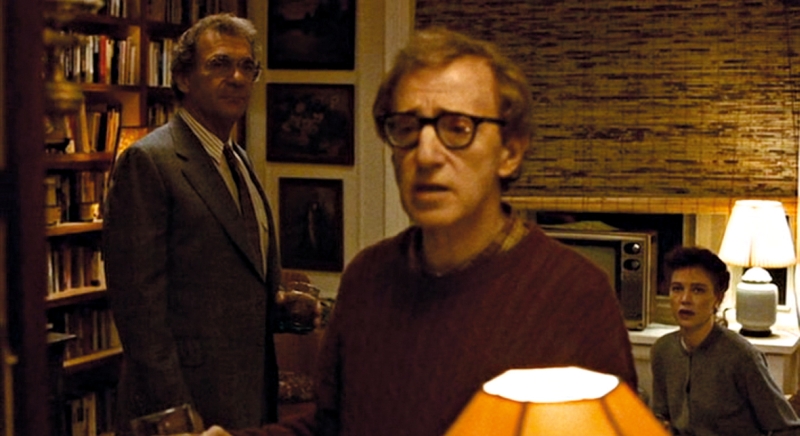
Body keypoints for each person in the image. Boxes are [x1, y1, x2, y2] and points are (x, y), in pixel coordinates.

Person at [199, 27, 637, 436]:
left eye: (458, 128)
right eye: (407, 129)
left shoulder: (574, 297)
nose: (426, 154)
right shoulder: (366, 278)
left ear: (510, 152)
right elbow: (332, 427)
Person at [103, 13, 314, 434]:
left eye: (247, 66)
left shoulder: (237, 159)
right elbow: (139, 312)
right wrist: (178, 419)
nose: (237, 77)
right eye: (220, 64)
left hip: (248, 399)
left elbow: (229, 286)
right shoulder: (149, 161)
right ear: (183, 78)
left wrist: (285, 309)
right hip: (186, 408)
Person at [650, 246, 800, 435]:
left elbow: (788, 427)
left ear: (718, 298)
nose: (685, 299)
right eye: (677, 289)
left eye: (697, 290)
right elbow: (660, 416)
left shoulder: (742, 357)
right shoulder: (663, 350)